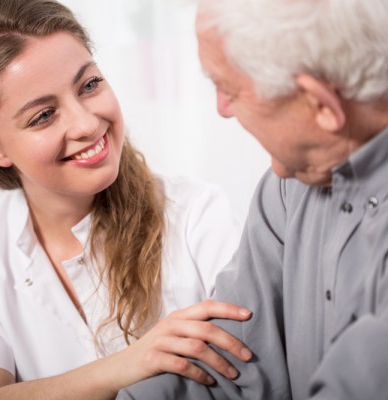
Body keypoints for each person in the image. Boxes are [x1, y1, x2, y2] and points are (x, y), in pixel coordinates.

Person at [116, 0, 388, 399]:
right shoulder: (288, 185)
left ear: (321, 106)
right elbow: (223, 355)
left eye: (228, 88)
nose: (221, 109)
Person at [0, 0, 255, 399]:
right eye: (43, 115)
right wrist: (131, 363)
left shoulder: (198, 215)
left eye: (90, 85)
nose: (86, 123)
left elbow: (257, 370)